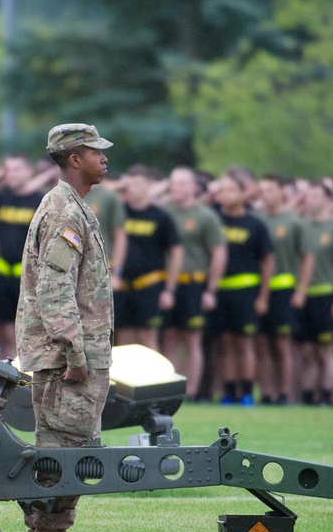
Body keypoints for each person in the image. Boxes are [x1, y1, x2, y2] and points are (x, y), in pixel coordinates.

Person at [16, 123, 114, 532]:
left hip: (74, 352)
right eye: (95, 151)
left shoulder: (72, 205)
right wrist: (74, 353)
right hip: (66, 357)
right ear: (74, 159)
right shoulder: (64, 211)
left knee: (72, 442)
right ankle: (47, 530)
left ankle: (49, 527)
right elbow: (55, 291)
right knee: (64, 445)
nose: (104, 157)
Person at [161, 166, 226, 400]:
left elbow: (219, 253)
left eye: (180, 183)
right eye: (173, 183)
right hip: (168, 283)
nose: (175, 188)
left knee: (192, 338)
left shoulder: (205, 215)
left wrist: (211, 289)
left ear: (192, 187)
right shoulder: (165, 211)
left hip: (194, 283)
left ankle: (192, 392)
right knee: (168, 336)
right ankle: (169, 390)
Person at [212, 170, 274, 405]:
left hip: (246, 291)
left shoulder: (255, 224)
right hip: (221, 290)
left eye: (231, 190)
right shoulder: (214, 220)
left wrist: (263, 297)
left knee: (245, 343)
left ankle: (247, 392)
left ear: (242, 194)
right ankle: (229, 393)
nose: (225, 195)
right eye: (223, 189)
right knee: (225, 343)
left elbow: (268, 260)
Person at [295, 183, 333, 406]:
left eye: (315, 195)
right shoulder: (302, 226)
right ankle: (309, 395)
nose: (309, 199)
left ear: (328, 200)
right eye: (308, 195)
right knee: (307, 351)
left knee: (327, 351)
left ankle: (329, 394)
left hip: (326, 295)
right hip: (304, 296)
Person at [255, 174, 313, 405]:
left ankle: (285, 393)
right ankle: (267, 393)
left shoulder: (294, 222)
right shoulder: (257, 220)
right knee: (262, 344)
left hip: (283, 290)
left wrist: (301, 291)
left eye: (270, 190)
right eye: (262, 191)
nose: (265, 195)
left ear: (281, 192)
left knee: (282, 344)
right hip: (259, 290)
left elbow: (307, 258)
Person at [0, 155, 44, 360]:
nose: (12, 174)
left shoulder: (40, 201)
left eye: (17, 169)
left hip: (26, 277)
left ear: (29, 172)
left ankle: (17, 375)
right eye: (8, 170)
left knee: (16, 331)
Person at [114, 165, 183, 351]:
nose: (131, 189)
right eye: (129, 185)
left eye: (137, 184)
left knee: (148, 338)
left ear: (149, 186)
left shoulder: (161, 217)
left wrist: (169, 290)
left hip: (149, 285)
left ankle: (153, 380)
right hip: (121, 284)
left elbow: (176, 254)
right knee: (123, 339)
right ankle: (125, 381)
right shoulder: (119, 212)